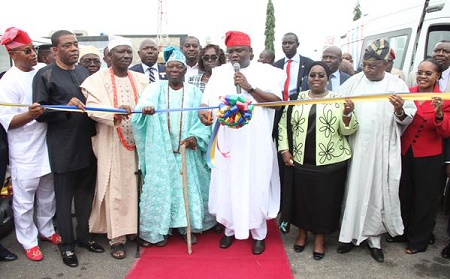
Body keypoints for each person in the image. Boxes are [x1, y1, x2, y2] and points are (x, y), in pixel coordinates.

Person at [199, 31, 285, 255]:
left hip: (256, 143)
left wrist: (249, 88)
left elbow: (277, 104)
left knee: (255, 183)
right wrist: (204, 114)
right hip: (227, 142)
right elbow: (204, 105)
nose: (235, 55)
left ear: (251, 52)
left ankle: (259, 233)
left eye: (239, 50)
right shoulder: (218, 74)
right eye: (231, 52)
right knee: (228, 183)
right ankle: (229, 229)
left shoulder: (269, 72)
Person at [337, 39, 417, 263]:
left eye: (373, 66)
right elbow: (335, 106)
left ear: (386, 64)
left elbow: (408, 116)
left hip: (383, 149)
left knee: (378, 192)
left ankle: (374, 240)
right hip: (357, 147)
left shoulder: (397, 85)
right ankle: (348, 237)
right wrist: (346, 111)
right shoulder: (354, 82)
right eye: (365, 64)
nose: (368, 69)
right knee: (353, 190)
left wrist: (400, 109)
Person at [32, 30, 104, 268]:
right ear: (55, 50)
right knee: (64, 201)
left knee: (85, 196)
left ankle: (84, 237)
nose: (74, 49)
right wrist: (65, 107)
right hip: (63, 147)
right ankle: (67, 246)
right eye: (67, 45)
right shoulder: (45, 75)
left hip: (88, 143)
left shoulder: (84, 72)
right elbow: (40, 114)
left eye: (75, 45)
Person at [132, 46, 215, 247]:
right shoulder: (154, 88)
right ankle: (160, 230)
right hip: (161, 148)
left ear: (185, 70)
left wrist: (196, 137)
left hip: (187, 149)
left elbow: (204, 119)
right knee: (160, 189)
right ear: (165, 70)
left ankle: (188, 226)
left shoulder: (195, 92)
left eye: (179, 67)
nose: (174, 70)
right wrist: (146, 110)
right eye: (171, 67)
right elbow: (141, 108)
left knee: (187, 188)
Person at [278, 61, 358, 260]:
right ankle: (302, 234)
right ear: (307, 78)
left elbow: (348, 130)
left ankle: (320, 238)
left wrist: (347, 114)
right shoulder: (296, 98)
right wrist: (284, 150)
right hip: (300, 160)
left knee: (325, 202)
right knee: (302, 200)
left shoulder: (339, 100)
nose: (316, 78)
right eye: (313, 75)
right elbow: (283, 125)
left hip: (331, 162)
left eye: (321, 75)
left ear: (328, 79)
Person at [81, 35, 148, 259]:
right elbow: (92, 109)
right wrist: (116, 112)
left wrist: (148, 109)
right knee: (115, 188)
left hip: (139, 142)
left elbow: (152, 103)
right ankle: (117, 237)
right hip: (111, 141)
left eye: (129, 52)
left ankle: (134, 231)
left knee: (138, 187)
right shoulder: (95, 81)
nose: (126, 56)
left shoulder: (141, 79)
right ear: (108, 55)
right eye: (120, 52)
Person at [0, 27, 60, 262]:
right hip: (24, 150)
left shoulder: (45, 73)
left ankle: (46, 230)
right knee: (24, 200)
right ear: (13, 54)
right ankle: (28, 240)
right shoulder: (8, 82)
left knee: (48, 194)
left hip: (47, 145)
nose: (33, 54)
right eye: (27, 50)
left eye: (34, 49)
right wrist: (33, 114)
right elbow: (9, 122)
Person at [389, 58, 450, 255]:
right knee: (404, 194)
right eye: (420, 72)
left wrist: (440, 113)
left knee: (424, 199)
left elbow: (446, 132)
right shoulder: (408, 93)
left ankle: (418, 240)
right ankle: (401, 232)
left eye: (428, 73)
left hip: (429, 155)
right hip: (406, 151)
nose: (423, 76)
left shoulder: (445, 98)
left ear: (438, 76)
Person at [274, 32, 314, 100]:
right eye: (284, 43)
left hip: (299, 103)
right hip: (280, 104)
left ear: (297, 45)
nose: (287, 46)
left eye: (290, 43)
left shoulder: (308, 63)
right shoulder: (276, 65)